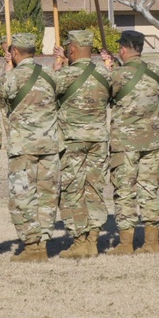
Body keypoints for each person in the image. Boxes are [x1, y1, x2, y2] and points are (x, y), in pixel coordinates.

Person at [0, 33, 61, 262]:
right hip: (49, 145)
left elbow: (1, 96)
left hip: (23, 146)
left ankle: (32, 244)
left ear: (14, 52)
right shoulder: (50, 74)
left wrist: (7, 68)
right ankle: (43, 241)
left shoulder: (13, 76)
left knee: (23, 196)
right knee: (47, 195)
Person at [103, 30, 159, 254]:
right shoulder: (155, 71)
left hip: (125, 142)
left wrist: (111, 68)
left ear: (123, 49)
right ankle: (151, 242)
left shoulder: (117, 76)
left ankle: (127, 243)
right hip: (151, 141)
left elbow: (108, 95)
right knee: (149, 189)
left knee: (125, 191)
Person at [51, 30, 112, 259]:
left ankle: (79, 240)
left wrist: (58, 67)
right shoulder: (105, 74)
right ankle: (94, 239)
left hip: (72, 140)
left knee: (72, 190)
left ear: (73, 49)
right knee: (94, 188)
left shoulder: (65, 76)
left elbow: (51, 93)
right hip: (98, 138)